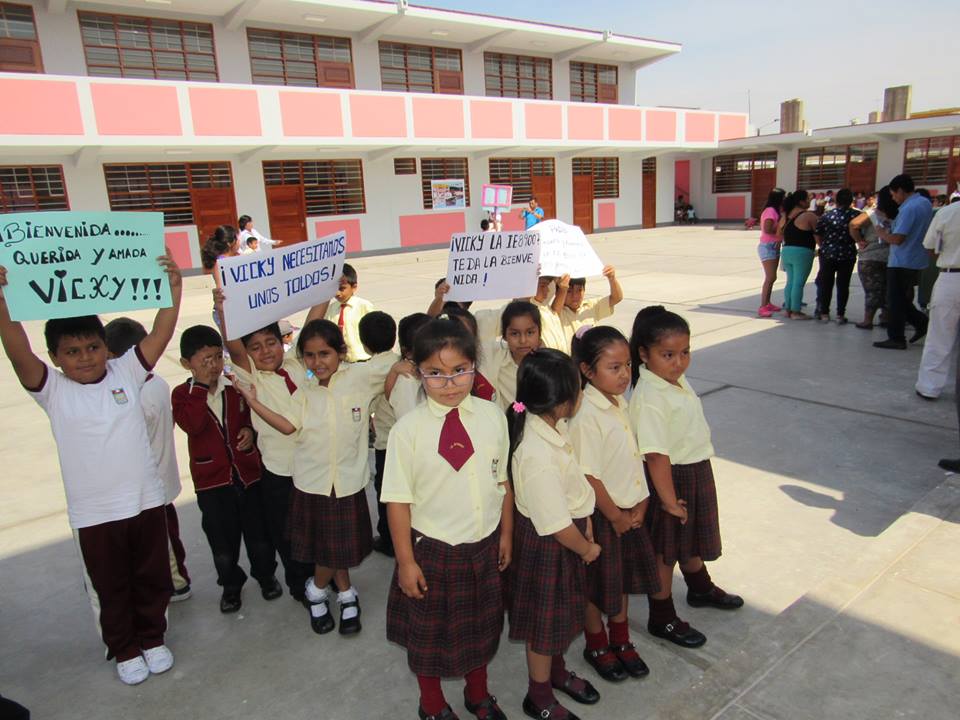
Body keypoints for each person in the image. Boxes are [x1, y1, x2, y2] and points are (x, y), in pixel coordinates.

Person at [0, 253, 182, 685]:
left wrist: (173, 289)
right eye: (72, 352)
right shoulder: (52, 389)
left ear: (106, 347)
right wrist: (2, 304)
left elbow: (161, 331)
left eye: (93, 347)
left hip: (145, 502)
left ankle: (153, 638)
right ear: (55, 356)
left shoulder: (126, 370)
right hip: (95, 514)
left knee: (152, 577)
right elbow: (17, 347)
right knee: (110, 585)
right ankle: (125, 648)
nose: (85, 358)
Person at [383, 317, 514, 720]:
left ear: (474, 365)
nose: (450, 383)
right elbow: (397, 502)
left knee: (481, 628)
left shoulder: (493, 416)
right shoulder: (407, 431)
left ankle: (478, 693)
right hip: (433, 551)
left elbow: (502, 480)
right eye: (435, 373)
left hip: (484, 543)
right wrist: (406, 562)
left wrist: (506, 534)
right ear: (417, 372)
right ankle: (432, 704)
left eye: (460, 370)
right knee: (430, 636)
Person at [235, 320, 398, 637]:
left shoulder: (360, 377)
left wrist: (403, 364)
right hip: (312, 484)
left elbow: (392, 362)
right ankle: (344, 594)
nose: (317, 362)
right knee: (330, 548)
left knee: (334, 548)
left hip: (348, 483)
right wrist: (253, 402)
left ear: (341, 353)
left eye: (325, 353)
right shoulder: (305, 393)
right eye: (309, 355)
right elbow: (287, 426)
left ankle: (317, 589)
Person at [628, 306, 743, 649]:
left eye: (685, 352)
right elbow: (656, 456)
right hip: (670, 479)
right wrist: (667, 501)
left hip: (693, 469)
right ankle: (661, 617)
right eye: (668, 355)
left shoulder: (672, 380)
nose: (679, 362)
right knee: (666, 553)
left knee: (688, 539)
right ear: (644, 355)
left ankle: (700, 587)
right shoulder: (650, 396)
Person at [507, 349, 601, 720]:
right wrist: (587, 549)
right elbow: (556, 524)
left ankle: (557, 673)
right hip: (552, 545)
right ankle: (539, 696)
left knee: (559, 615)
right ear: (562, 401)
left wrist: (586, 520)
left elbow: (570, 488)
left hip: (566, 538)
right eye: (578, 389)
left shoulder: (550, 426)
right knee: (543, 626)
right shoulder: (536, 455)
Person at [569, 326, 659, 684]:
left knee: (619, 582)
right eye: (614, 367)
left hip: (629, 511)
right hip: (605, 516)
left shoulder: (620, 402)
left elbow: (632, 458)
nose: (624, 375)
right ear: (587, 371)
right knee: (597, 587)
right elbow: (589, 476)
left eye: (627, 366)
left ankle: (621, 639)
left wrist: (643, 502)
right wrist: (616, 515)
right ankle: (596, 644)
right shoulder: (586, 414)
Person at [218, 303, 324, 604]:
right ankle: (300, 586)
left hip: (314, 466)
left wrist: (326, 287)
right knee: (288, 535)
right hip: (281, 473)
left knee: (318, 529)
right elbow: (233, 345)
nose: (265, 351)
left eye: (271, 343)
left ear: (282, 343)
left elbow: (314, 321)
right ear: (248, 354)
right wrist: (224, 308)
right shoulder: (251, 377)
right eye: (256, 347)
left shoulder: (295, 363)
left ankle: (322, 579)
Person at [171, 325, 282, 613]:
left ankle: (266, 576)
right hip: (212, 483)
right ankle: (231, 585)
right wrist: (199, 386)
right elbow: (193, 424)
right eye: (204, 360)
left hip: (248, 476)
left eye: (217, 357)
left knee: (259, 535)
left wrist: (250, 432)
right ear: (186, 364)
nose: (213, 365)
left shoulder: (235, 387)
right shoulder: (182, 395)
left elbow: (253, 418)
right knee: (222, 542)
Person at [104, 318, 191, 602]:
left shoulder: (136, 395)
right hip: (160, 478)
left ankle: (178, 584)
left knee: (162, 540)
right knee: (163, 535)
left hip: (151, 485)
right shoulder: (158, 383)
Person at [358, 311, 401, 557]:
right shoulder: (402, 362)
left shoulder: (367, 371)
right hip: (407, 442)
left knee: (386, 493)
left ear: (364, 343)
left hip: (387, 444)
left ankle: (387, 539)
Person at [874, 175, 932, 350]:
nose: (893, 199)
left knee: (895, 300)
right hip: (916, 257)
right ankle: (921, 323)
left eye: (893, 195)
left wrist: (881, 233)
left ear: (900, 190)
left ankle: (897, 337)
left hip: (902, 259)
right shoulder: (924, 203)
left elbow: (898, 239)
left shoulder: (909, 209)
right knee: (900, 299)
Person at [915, 199, 960, 400]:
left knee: (939, 335)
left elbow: (931, 247)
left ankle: (929, 386)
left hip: (950, 275)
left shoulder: (947, 212)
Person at [849, 186, 895, 329]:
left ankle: (868, 320)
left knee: (872, 290)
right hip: (890, 256)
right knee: (888, 289)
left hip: (870, 256)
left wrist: (859, 241)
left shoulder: (873, 213)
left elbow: (854, 224)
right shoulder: (898, 214)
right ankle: (885, 317)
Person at [484, 301, 542, 410]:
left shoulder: (551, 366)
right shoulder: (494, 357)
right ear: (504, 335)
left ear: (539, 333)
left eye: (530, 332)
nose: (523, 340)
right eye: (514, 333)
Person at [814, 188, 860, 324]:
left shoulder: (827, 215)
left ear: (836, 201)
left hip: (828, 253)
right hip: (847, 254)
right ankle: (840, 314)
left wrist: (823, 246)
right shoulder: (857, 216)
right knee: (843, 285)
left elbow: (817, 233)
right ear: (851, 201)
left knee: (826, 284)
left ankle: (824, 313)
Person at [552, 266, 624, 349]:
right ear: (558, 292)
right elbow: (555, 311)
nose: (575, 296)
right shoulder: (555, 312)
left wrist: (612, 278)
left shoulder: (591, 306)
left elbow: (616, 298)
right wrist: (562, 288)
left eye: (579, 290)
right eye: (569, 291)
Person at [779, 190, 819, 319]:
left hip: (786, 251)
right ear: (801, 202)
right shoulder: (809, 216)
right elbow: (818, 235)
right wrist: (822, 248)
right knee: (798, 283)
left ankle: (788, 310)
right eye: (807, 199)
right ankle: (796, 311)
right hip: (802, 252)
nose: (809, 201)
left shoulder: (786, 216)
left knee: (790, 281)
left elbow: (779, 233)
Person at [325, 263, 375, 363]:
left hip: (362, 360)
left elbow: (375, 332)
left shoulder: (364, 306)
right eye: (334, 289)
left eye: (342, 288)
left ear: (354, 287)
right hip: (341, 361)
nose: (337, 293)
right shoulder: (331, 309)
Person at [757, 188, 787, 317]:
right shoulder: (770, 211)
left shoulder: (776, 211)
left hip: (774, 245)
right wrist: (781, 227)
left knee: (772, 277)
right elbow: (767, 229)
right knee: (770, 277)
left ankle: (768, 303)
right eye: (783, 197)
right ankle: (763, 306)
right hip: (768, 246)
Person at [529, 275, 568, 351]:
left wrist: (563, 288)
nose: (547, 290)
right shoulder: (528, 309)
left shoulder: (545, 308)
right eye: (542, 286)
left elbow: (555, 312)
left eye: (547, 286)